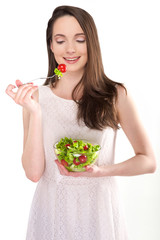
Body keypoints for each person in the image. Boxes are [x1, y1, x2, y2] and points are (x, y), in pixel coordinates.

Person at [5, 5, 156, 240]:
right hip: (51, 211)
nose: (71, 48)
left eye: (80, 39)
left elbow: (148, 161)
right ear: (51, 46)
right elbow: (34, 174)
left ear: (91, 43)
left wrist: (102, 171)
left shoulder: (115, 95)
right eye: (61, 40)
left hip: (100, 211)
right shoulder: (35, 98)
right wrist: (35, 113)